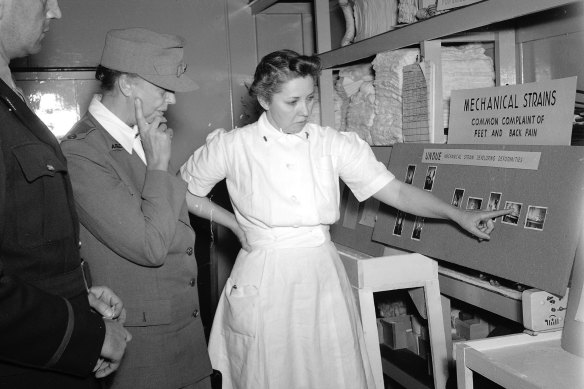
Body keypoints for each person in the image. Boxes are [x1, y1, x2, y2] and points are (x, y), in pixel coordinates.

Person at [180, 49, 511, 389]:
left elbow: (395, 192)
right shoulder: (233, 146)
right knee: (268, 372)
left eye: (309, 98)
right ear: (264, 99)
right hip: (266, 276)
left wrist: (458, 215)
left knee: (332, 372)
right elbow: (184, 191)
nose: (305, 110)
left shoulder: (331, 144)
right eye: (292, 101)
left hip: (322, 272)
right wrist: (233, 224)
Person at [60, 28, 245, 389]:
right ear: (127, 84)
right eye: (162, 88)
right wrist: (159, 165)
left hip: (183, 336)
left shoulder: (140, 135)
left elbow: (172, 204)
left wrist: (235, 224)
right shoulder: (81, 152)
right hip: (140, 352)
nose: (171, 100)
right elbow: (150, 245)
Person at [0, 1, 131, 388]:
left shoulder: (9, 98)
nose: (55, 12)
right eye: (44, 0)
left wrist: (74, 295)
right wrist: (89, 336)